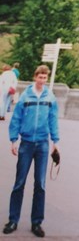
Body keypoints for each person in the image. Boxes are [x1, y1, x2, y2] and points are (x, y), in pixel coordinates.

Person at [3, 65, 60, 238]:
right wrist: (14, 140)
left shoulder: (50, 97)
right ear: (35, 76)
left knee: (40, 185)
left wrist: (55, 142)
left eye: (45, 77)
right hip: (26, 144)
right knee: (19, 183)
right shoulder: (25, 96)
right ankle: (13, 220)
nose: (42, 80)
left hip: (42, 144)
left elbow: (53, 119)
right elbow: (17, 119)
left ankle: (37, 223)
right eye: (40, 77)